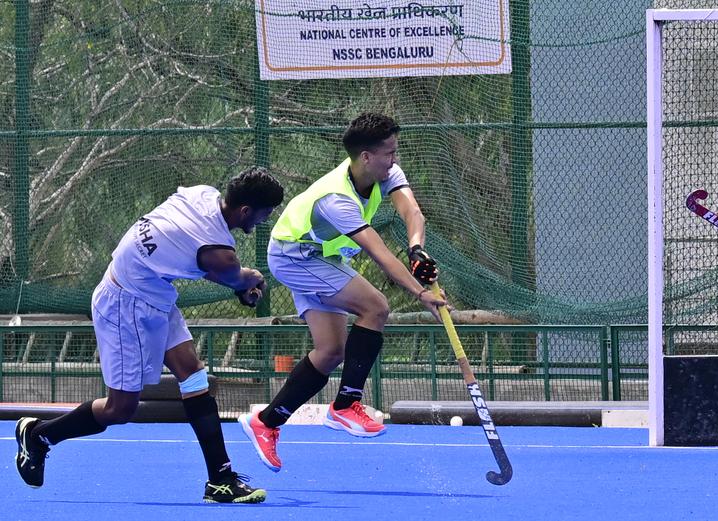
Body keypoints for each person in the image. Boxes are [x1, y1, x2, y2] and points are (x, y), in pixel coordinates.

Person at [14, 166, 285, 503]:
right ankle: (39, 437)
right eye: (263, 214)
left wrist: (237, 281)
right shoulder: (220, 253)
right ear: (245, 210)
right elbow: (230, 273)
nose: (262, 221)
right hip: (125, 304)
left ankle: (220, 480)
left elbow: (203, 261)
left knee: (194, 377)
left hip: (154, 293)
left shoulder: (200, 194)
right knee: (120, 409)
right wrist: (251, 281)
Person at [239, 112, 444, 472]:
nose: (394, 159)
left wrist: (416, 249)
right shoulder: (337, 200)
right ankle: (346, 404)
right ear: (366, 156)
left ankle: (265, 422)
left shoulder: (386, 173)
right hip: (295, 257)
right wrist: (420, 293)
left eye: (395, 152)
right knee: (376, 307)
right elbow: (379, 254)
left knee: (331, 351)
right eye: (389, 153)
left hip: (318, 256)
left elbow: (414, 213)